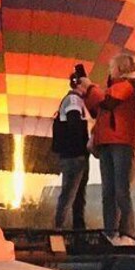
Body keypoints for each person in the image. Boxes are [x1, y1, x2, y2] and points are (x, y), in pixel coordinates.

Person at [85, 54, 135, 246]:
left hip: (121, 141)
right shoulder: (111, 88)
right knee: (108, 190)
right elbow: (98, 111)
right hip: (106, 141)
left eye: (111, 67)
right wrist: (87, 93)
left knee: (120, 189)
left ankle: (128, 233)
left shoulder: (128, 86)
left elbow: (108, 103)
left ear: (120, 68)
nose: (109, 70)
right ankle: (111, 232)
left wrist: (90, 87)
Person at [52, 72, 91, 229]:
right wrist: (84, 147)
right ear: (80, 84)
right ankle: (60, 228)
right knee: (71, 193)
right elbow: (74, 124)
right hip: (75, 155)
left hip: (72, 154)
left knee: (76, 193)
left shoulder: (72, 100)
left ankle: (77, 227)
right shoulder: (74, 100)